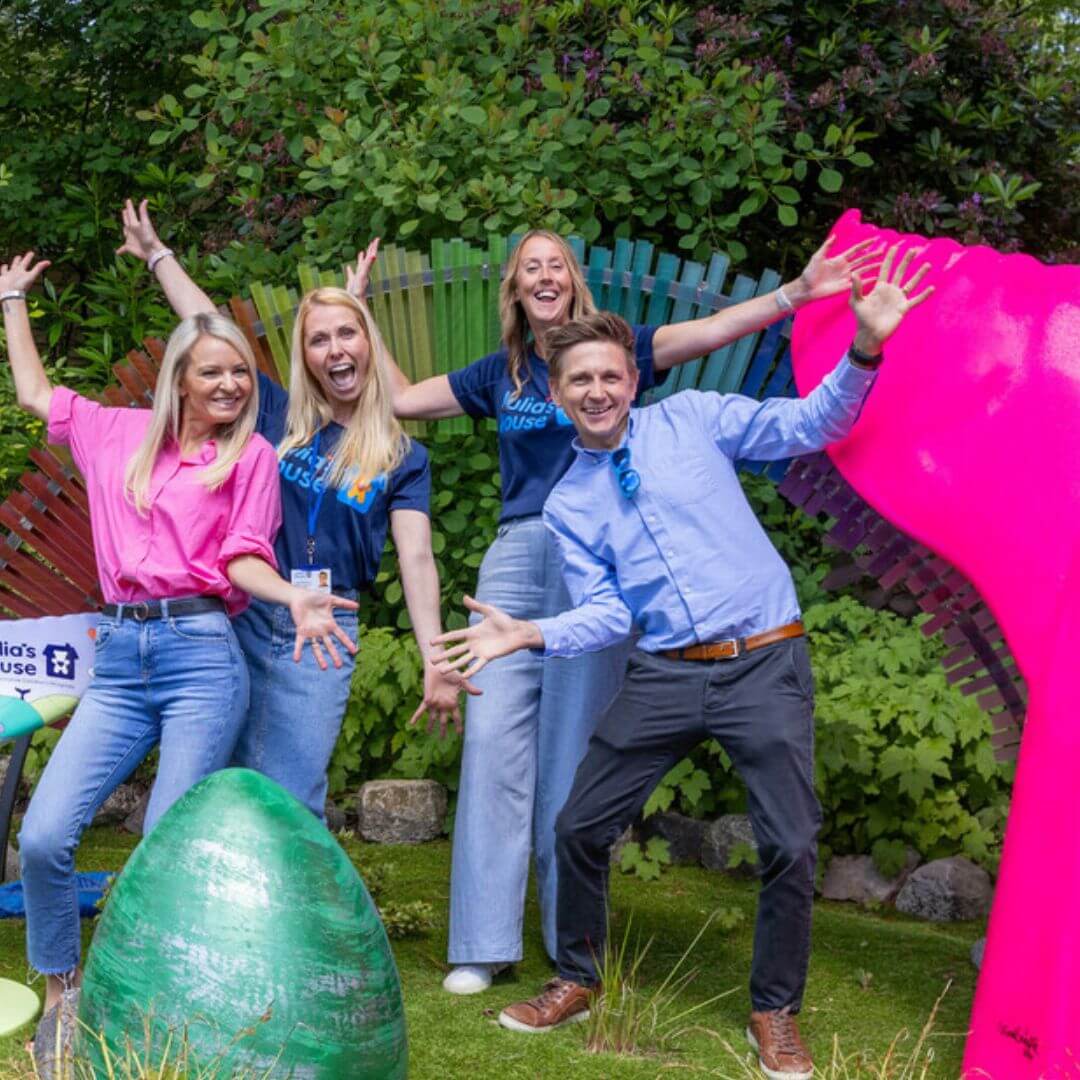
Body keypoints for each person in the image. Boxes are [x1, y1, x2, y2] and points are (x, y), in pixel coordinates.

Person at [430, 246, 934, 1078]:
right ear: (556, 398)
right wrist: (530, 633)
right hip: (665, 672)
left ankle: (774, 1012)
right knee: (579, 826)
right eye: (578, 382)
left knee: (791, 842)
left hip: (761, 660)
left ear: (633, 379)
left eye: (609, 377)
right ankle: (577, 977)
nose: (595, 392)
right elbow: (608, 614)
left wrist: (866, 346)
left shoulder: (695, 416)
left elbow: (812, 426)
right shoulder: (567, 503)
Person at [0, 251, 355, 1019]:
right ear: (180, 382)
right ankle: (64, 990)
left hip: (201, 660)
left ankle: (145, 1003)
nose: (231, 385)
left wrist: (295, 596)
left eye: (239, 372)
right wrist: (11, 302)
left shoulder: (250, 456)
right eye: (214, 373)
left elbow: (243, 557)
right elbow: (33, 392)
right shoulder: (111, 433)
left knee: (164, 848)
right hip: (122, 660)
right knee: (44, 835)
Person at [117, 201, 469, 822]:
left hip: (326, 633)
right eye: (319, 339)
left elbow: (416, 559)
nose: (335, 349)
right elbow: (208, 323)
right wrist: (157, 254)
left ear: (369, 343)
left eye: (348, 333)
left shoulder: (403, 458)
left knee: (291, 799)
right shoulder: (278, 417)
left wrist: (434, 658)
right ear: (305, 355)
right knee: (212, 788)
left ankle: (284, 919)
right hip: (248, 613)